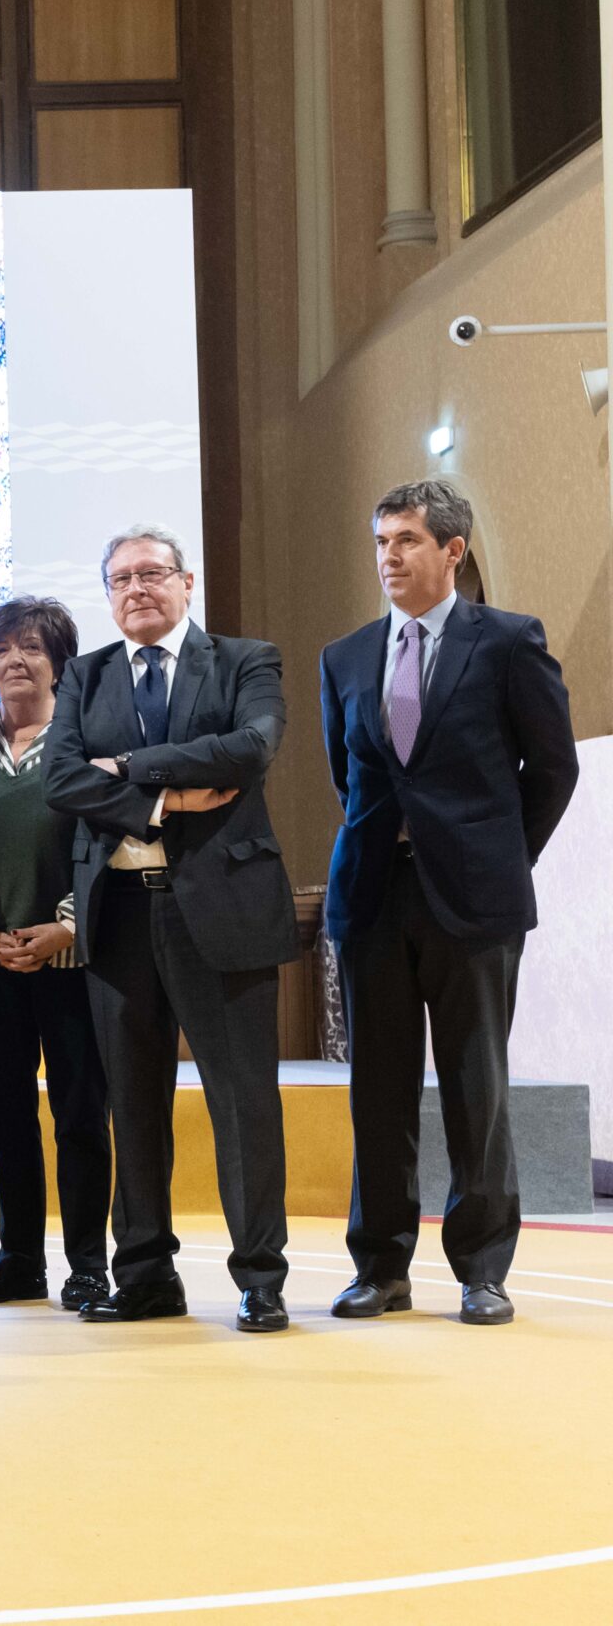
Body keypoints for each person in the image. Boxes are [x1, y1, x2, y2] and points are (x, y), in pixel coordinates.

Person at [321, 480, 577, 1327]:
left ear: (452, 552)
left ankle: (481, 1269)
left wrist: (500, 855)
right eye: (381, 541)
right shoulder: (346, 656)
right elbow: (349, 777)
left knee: (476, 1086)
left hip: (474, 900)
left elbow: (553, 769)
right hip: (372, 898)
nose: (388, 557)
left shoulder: (507, 642)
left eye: (406, 541)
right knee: (377, 1090)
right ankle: (380, 1267)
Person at [43, 523, 297, 1333]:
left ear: (186, 583)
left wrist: (130, 769)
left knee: (243, 1101)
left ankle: (260, 1277)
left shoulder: (246, 660)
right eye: (120, 579)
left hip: (222, 912)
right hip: (118, 915)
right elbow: (58, 776)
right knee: (132, 1104)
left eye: (152, 573)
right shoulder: (83, 676)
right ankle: (146, 1272)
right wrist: (164, 801)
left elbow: (250, 748)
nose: (137, 589)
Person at [0, 596, 112, 1312]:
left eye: (32, 648)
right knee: (5, 1117)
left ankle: (86, 1265)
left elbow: (107, 842)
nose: (15, 659)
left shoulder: (86, 744)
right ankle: (19, 1259)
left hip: (71, 963)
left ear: (58, 663)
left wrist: (66, 926)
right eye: (3, 648)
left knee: (80, 1116)